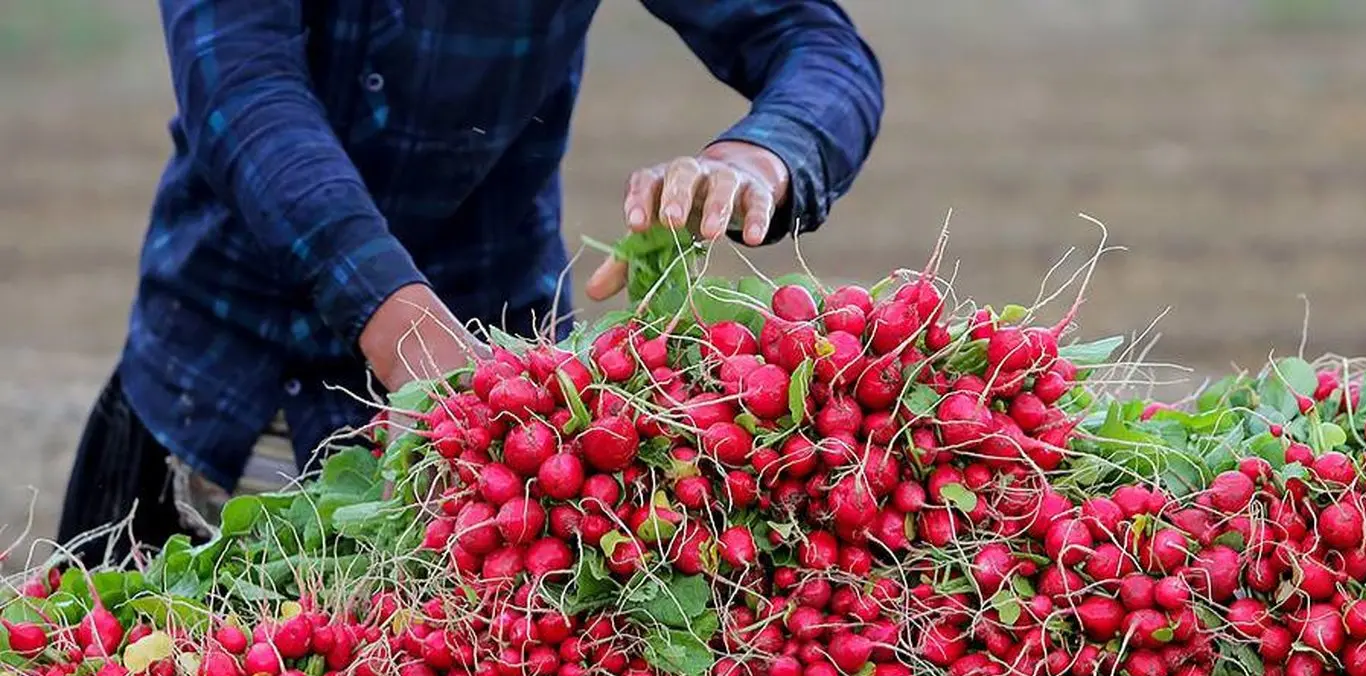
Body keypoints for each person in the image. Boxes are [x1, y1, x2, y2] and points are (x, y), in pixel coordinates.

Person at [55, 1, 884, 566]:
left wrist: (757, 158)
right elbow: (244, 96)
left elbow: (816, 45)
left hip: (498, 381)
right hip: (233, 371)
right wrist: (404, 326)